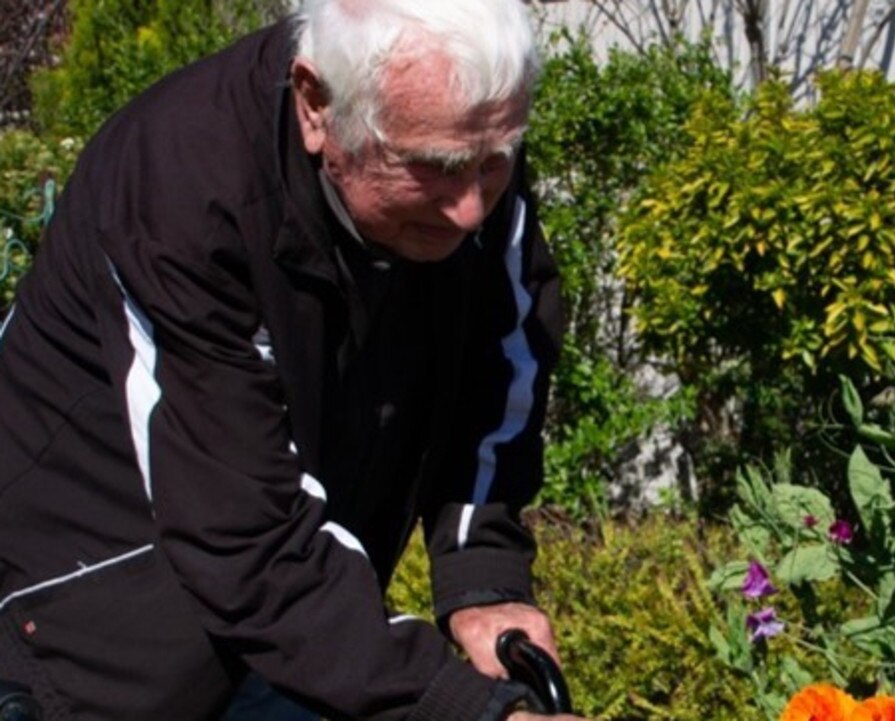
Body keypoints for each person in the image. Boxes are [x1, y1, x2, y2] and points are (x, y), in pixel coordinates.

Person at [0, 0, 587, 719]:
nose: (471, 209)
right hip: (89, 628)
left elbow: (500, 364)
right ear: (316, 106)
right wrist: (467, 707)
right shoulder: (182, 189)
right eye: (435, 166)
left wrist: (482, 574)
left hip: (292, 616)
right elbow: (243, 534)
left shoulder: (458, 135)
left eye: (496, 159)